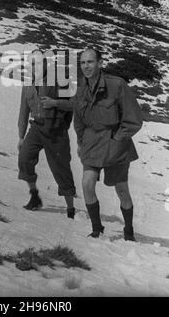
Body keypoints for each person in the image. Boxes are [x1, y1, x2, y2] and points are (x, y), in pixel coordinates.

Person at [73, 48, 143, 240]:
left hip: (116, 146)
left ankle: (128, 230)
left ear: (100, 63)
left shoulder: (117, 85)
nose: (86, 66)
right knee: (87, 184)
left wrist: (118, 139)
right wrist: (81, 141)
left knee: (121, 190)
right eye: (82, 63)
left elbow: (134, 119)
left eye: (90, 62)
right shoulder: (80, 89)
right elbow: (78, 120)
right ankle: (97, 229)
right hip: (91, 144)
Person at [17, 51, 76, 218]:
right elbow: (23, 111)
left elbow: (73, 105)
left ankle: (70, 209)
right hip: (36, 127)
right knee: (24, 158)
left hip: (56, 129)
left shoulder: (58, 81)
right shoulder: (28, 85)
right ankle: (34, 196)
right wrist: (21, 136)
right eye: (32, 64)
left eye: (39, 63)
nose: (35, 67)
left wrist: (55, 103)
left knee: (61, 168)